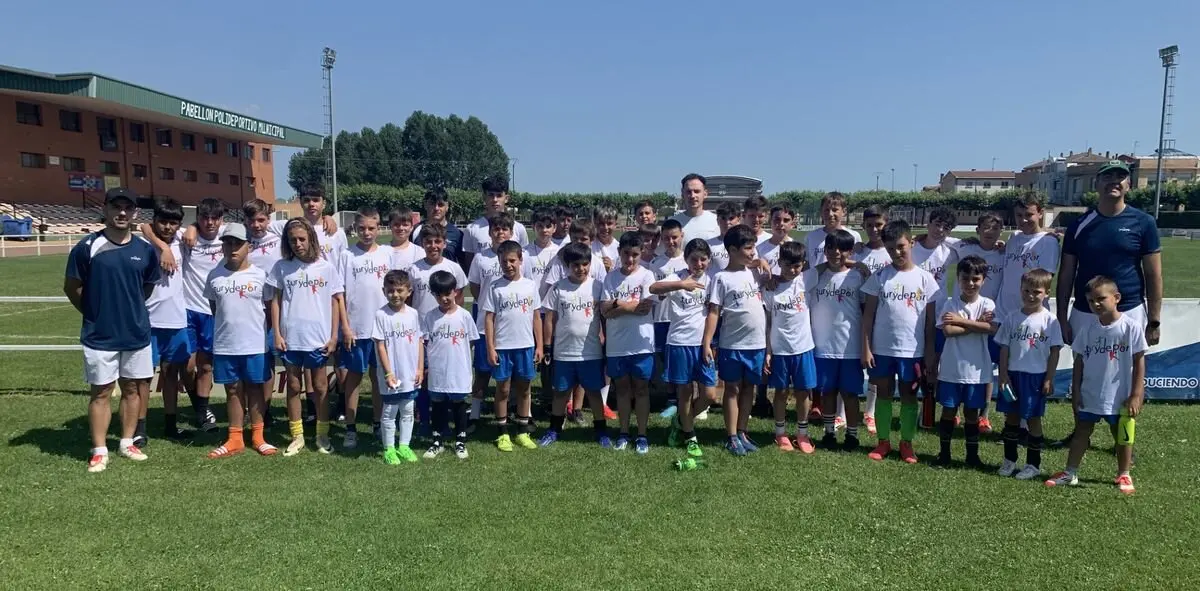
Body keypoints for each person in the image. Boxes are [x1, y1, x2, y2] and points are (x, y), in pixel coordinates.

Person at [1055, 160, 1162, 448]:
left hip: (1128, 310)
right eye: (1107, 177)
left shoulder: (1143, 222)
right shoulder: (1080, 224)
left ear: (1128, 184)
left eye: (1121, 177)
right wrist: (1062, 317)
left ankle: (1123, 441)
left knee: (1126, 376)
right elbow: (1067, 273)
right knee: (1083, 370)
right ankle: (1081, 433)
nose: (1114, 181)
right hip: (1084, 312)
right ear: (1097, 184)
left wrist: (1154, 320)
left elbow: (1154, 274)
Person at [65, 188, 161, 473]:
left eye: (127, 208)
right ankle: (98, 450)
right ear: (105, 209)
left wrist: (128, 311)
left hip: (136, 333)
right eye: (116, 207)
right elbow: (72, 288)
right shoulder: (87, 247)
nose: (122, 213)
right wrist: (94, 313)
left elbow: (147, 286)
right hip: (100, 336)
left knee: (132, 389)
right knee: (102, 391)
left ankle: (127, 442)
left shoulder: (144, 250)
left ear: (134, 214)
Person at [1046, 276, 1146, 495]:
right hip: (1090, 393)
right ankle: (1070, 472)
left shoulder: (1131, 327)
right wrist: (1076, 391)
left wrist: (1136, 394)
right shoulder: (1088, 329)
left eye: (1101, 298)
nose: (1096, 304)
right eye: (1091, 301)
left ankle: (1124, 473)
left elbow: (1139, 361)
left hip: (1120, 395)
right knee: (1081, 431)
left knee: (1122, 434)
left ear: (1116, 298)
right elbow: (1079, 362)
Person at [861, 220, 940, 464]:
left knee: (908, 395)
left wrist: (929, 354)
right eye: (890, 248)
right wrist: (866, 348)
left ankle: (906, 444)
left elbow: (929, 323)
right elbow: (869, 316)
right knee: (883, 394)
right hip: (883, 350)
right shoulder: (879, 277)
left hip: (912, 352)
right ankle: (883, 442)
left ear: (911, 243)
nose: (896, 252)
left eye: (901, 246)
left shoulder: (926, 280)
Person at [269, 218, 346, 456]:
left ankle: (322, 435)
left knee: (321, 387)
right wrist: (277, 333)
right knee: (293, 386)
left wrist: (334, 336)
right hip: (291, 338)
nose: (298, 244)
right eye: (293, 240)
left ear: (311, 239)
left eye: (302, 239)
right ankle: (297, 436)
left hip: (318, 338)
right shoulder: (281, 267)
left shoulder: (325, 267)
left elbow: (335, 302)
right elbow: (275, 301)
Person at [204, 223, 277, 459]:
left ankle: (258, 436)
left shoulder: (260, 275)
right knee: (233, 389)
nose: (232, 247)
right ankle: (235, 438)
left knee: (255, 388)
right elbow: (215, 308)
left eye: (238, 243)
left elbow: (268, 308)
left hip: (254, 343)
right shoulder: (214, 275)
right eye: (228, 243)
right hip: (226, 343)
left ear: (249, 246)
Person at [703, 225, 768, 456]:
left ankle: (742, 431)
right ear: (732, 250)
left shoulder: (754, 272)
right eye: (748, 248)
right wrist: (707, 342)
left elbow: (770, 281)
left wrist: (763, 264)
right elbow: (713, 312)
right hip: (732, 345)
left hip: (757, 344)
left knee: (749, 387)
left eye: (754, 247)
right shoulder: (721, 278)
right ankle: (730, 436)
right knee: (732, 388)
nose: (753, 253)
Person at [995, 269, 1063, 480]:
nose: (1030, 295)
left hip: (1036, 377)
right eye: (1026, 290)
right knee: (1012, 418)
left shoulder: (1050, 321)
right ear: (1020, 290)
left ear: (1046, 293)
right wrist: (1003, 374)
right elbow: (1004, 348)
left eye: (1036, 291)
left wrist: (1049, 378)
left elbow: (1054, 351)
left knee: (1033, 419)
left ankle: (1033, 464)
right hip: (1013, 376)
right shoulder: (1012, 318)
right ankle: (1009, 460)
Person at [539, 242, 609, 447]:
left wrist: (606, 340)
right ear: (568, 265)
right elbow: (549, 318)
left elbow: (604, 318)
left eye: (585, 264)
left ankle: (601, 432)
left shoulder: (597, 286)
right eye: (576, 265)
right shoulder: (558, 288)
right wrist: (548, 347)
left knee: (594, 393)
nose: (581, 269)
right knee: (560, 393)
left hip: (591, 352)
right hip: (563, 352)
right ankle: (554, 430)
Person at [932, 255, 998, 468]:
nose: (970, 283)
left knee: (972, 413)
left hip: (977, 371)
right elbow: (948, 331)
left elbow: (991, 328)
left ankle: (972, 455)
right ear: (958, 279)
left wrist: (961, 320)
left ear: (983, 280)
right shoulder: (950, 303)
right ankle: (944, 453)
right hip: (952, 369)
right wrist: (975, 324)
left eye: (975, 279)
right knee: (949, 411)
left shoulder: (988, 303)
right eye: (965, 278)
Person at [336, 207, 393, 449]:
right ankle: (350, 428)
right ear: (354, 229)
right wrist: (345, 328)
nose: (367, 232)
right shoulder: (347, 255)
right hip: (356, 330)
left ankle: (378, 425)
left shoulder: (387, 254)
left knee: (379, 379)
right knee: (354, 379)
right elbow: (339, 294)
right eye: (362, 228)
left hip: (381, 330)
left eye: (371, 228)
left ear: (379, 228)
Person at [405, 222, 468, 436]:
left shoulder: (453, 267)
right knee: (423, 377)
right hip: (422, 332)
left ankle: (446, 420)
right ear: (422, 243)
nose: (433, 245)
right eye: (428, 242)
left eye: (437, 241)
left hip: (446, 333)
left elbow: (459, 296)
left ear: (444, 243)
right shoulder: (414, 269)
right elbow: (410, 300)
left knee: (447, 374)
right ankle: (423, 418)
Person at [482, 240, 543, 451]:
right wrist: (490, 348)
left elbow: (537, 317)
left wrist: (540, 346)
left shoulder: (530, 285)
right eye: (503, 261)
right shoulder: (495, 286)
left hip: (525, 346)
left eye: (512, 260)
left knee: (525, 389)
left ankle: (522, 431)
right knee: (503, 389)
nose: (508, 265)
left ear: (520, 260)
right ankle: (502, 432)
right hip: (502, 347)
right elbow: (489, 319)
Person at [601, 231, 658, 454]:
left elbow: (645, 307)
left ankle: (642, 434)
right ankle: (624, 432)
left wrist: (617, 304)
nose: (630, 259)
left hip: (642, 344)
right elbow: (605, 311)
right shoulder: (610, 277)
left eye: (635, 254)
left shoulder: (647, 275)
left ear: (641, 253)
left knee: (641, 389)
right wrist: (622, 306)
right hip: (617, 345)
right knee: (622, 389)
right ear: (619, 252)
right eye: (626, 254)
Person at [812, 230, 868, 451]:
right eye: (831, 248)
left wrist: (866, 346)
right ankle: (829, 433)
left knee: (850, 393)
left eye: (843, 249)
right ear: (825, 251)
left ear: (850, 251)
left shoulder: (858, 276)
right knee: (827, 392)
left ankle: (852, 435)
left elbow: (866, 311)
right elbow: (801, 274)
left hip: (850, 347)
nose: (836, 252)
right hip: (823, 346)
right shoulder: (816, 276)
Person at [143, 198, 192, 443]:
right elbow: (142, 226)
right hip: (149, 320)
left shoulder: (182, 240)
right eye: (163, 222)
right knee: (142, 377)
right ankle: (139, 429)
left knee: (172, 374)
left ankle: (171, 424)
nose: (168, 227)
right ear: (156, 221)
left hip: (176, 319)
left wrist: (172, 242)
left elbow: (192, 230)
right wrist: (162, 247)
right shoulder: (145, 243)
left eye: (173, 223)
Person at [953, 213, 1007, 434]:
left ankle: (983, 415)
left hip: (991, 317)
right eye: (985, 227)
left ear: (1000, 232)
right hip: (961, 313)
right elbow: (938, 240)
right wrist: (919, 238)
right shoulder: (964, 247)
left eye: (995, 228)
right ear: (977, 230)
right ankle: (954, 411)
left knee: (986, 367)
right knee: (958, 363)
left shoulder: (1005, 253)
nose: (989, 232)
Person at [765, 242, 819, 453]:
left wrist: (856, 264)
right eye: (787, 265)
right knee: (780, 391)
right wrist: (768, 351)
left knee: (804, 392)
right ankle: (780, 433)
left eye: (797, 266)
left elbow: (829, 265)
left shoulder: (807, 279)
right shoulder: (771, 288)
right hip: (780, 350)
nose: (792, 270)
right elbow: (768, 321)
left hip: (803, 348)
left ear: (803, 265)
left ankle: (802, 433)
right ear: (779, 263)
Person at [420, 271, 477, 460]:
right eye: (439, 295)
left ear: (455, 292)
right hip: (438, 370)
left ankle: (460, 441)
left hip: (458, 370)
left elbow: (470, 342)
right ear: (434, 295)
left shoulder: (465, 316)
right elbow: (425, 343)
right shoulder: (430, 317)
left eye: (448, 293)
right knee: (437, 404)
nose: (444, 298)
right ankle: (437, 441)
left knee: (459, 404)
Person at [467, 212, 515, 425]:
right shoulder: (480, 258)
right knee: (483, 372)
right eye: (496, 229)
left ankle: (512, 412)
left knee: (511, 374)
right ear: (490, 232)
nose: (500, 232)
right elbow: (476, 288)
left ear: (511, 232)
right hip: (485, 325)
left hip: (511, 326)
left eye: (505, 229)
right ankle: (475, 414)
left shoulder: (517, 258)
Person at [372, 270, 424, 464]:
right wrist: (388, 372)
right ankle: (389, 449)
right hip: (391, 374)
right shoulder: (381, 315)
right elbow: (380, 345)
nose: (395, 295)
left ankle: (404, 445)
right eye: (391, 290)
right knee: (390, 411)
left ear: (408, 291)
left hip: (410, 372)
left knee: (408, 409)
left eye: (399, 290)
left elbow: (419, 341)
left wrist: (419, 369)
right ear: (384, 291)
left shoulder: (413, 314)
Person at [243, 199, 284, 426]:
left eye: (261, 220)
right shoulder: (241, 240)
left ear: (269, 219)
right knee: (254, 359)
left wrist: (327, 217)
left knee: (269, 360)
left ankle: (265, 410)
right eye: (252, 220)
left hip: (275, 307)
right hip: (249, 308)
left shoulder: (279, 238)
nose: (257, 225)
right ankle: (252, 409)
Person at [854, 205, 892, 435]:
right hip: (857, 308)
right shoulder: (858, 251)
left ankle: (870, 412)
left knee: (875, 363)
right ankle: (841, 413)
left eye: (879, 225)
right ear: (864, 227)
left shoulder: (892, 251)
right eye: (869, 225)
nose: (874, 229)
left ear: (886, 224)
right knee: (852, 359)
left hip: (883, 312)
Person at [649, 219, 688, 418]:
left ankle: (688, 399)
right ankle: (671, 399)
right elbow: (652, 292)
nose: (671, 241)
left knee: (681, 359)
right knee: (666, 359)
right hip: (661, 318)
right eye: (666, 238)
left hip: (683, 320)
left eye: (674, 237)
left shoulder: (688, 261)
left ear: (681, 236)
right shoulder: (656, 263)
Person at [461, 175, 529, 272]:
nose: (495, 200)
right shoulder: (472, 229)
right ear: (484, 197)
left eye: (499, 195)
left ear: (506, 198)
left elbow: (523, 260)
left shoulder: (519, 228)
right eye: (491, 195)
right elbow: (470, 266)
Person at [805, 192, 863, 268]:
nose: (830, 214)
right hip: (816, 279)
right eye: (826, 210)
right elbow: (806, 264)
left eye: (835, 210)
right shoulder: (811, 237)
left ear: (844, 211)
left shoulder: (854, 236)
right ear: (821, 212)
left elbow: (858, 263)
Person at [412, 188, 465, 263]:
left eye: (440, 205)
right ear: (425, 205)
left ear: (447, 207)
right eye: (432, 204)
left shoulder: (457, 234)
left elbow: (464, 265)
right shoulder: (415, 230)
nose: (436, 208)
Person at [669, 173, 722, 244]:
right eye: (688, 192)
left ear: (705, 194)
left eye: (697, 191)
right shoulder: (672, 223)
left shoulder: (717, 222)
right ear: (682, 194)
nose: (692, 196)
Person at [705, 201, 742, 274]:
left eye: (731, 218)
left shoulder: (745, 244)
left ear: (739, 220)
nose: (727, 222)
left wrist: (760, 261)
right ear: (718, 221)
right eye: (723, 218)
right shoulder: (708, 245)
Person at [756, 205, 795, 272]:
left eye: (786, 220)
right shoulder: (759, 249)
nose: (781, 223)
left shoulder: (797, 248)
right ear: (770, 221)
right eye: (777, 219)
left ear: (792, 224)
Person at [388, 206, 422, 273]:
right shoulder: (380, 251)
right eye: (396, 224)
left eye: (405, 225)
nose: (401, 228)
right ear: (390, 226)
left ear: (411, 227)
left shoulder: (420, 253)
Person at [591, 206, 620, 272]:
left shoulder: (619, 248)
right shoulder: (589, 245)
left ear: (615, 224)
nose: (605, 227)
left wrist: (612, 267)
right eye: (601, 223)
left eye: (609, 223)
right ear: (595, 224)